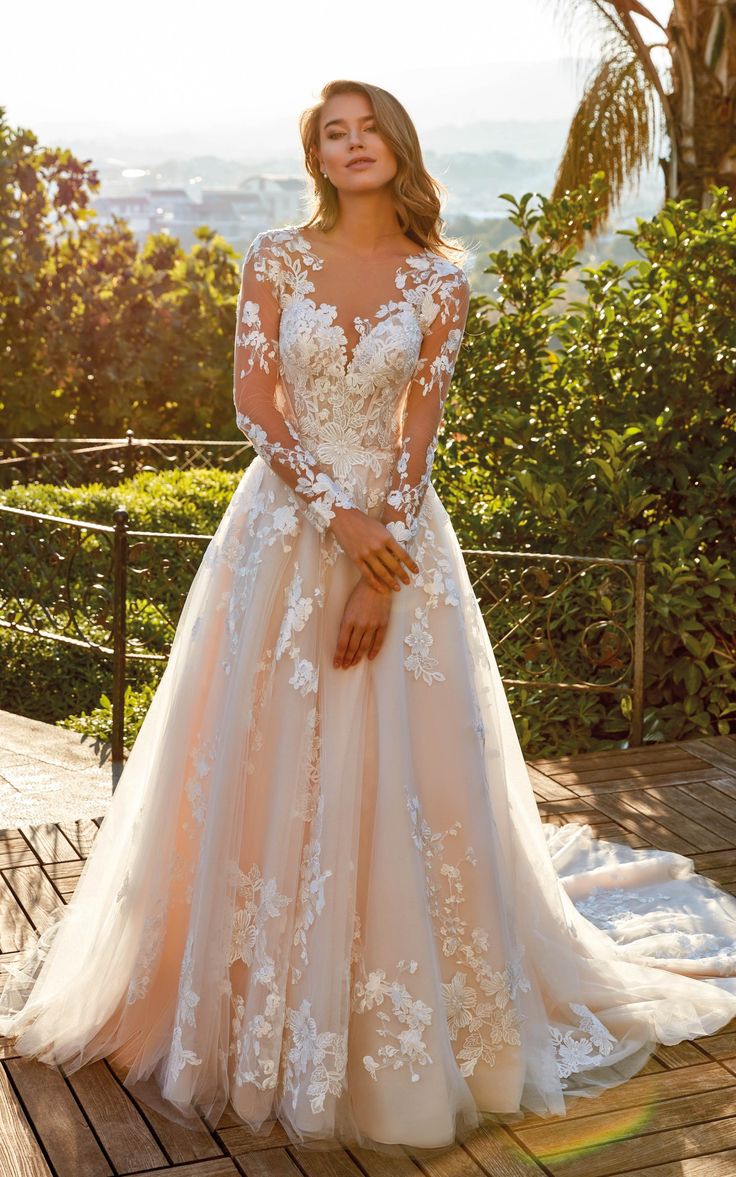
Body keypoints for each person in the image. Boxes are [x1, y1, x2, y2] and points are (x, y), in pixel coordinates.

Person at [2, 78, 736, 1158]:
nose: (352, 145)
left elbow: (419, 435)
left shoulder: (442, 278)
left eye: (366, 128)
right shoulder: (274, 257)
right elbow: (256, 405)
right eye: (331, 134)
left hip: (398, 546)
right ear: (320, 156)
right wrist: (342, 529)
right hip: (282, 536)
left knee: (394, 765)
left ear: (398, 144)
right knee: (250, 759)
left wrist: (381, 569)